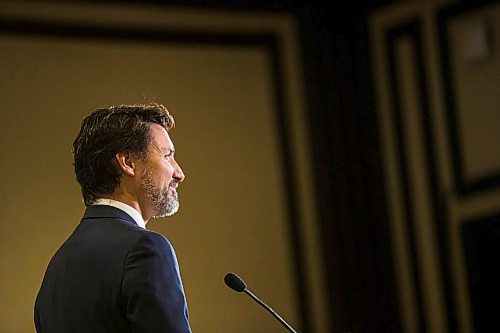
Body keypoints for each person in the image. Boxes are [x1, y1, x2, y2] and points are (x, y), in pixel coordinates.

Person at [34, 102, 192, 332]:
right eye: (168, 155)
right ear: (128, 162)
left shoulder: (57, 267)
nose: (179, 173)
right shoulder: (145, 249)